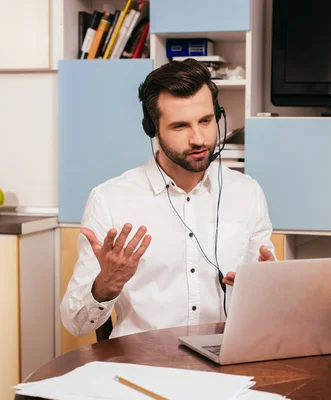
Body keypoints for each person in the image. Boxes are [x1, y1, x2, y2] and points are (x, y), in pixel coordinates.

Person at [60, 58, 276, 339]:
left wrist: (268, 289)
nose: (199, 139)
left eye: (206, 121)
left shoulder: (247, 193)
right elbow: (75, 324)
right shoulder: (109, 200)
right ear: (152, 128)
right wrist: (107, 284)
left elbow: (265, 298)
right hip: (141, 366)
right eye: (180, 126)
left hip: (225, 362)